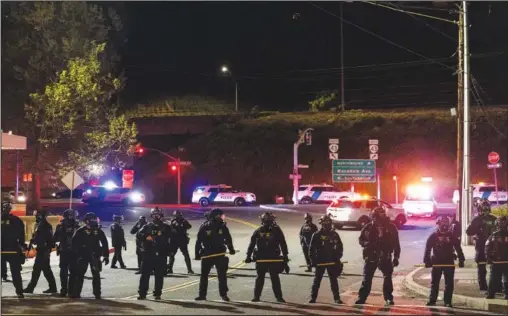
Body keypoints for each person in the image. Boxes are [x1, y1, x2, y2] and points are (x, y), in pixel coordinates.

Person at [356, 206, 401, 306]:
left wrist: (396, 257)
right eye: (375, 217)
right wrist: (367, 244)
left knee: (387, 278)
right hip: (371, 256)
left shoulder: (391, 227)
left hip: (385, 256)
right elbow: (361, 240)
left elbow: (396, 244)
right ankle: (362, 297)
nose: (377, 220)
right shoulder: (368, 227)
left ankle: (388, 298)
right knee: (367, 278)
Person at [245, 212, 288, 303]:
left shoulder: (265, 230)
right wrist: (285, 257)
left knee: (265, 278)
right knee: (271, 278)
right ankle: (276, 297)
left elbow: (283, 244)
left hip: (268, 258)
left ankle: (259, 297)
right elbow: (283, 244)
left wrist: (248, 256)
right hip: (266, 258)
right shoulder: (273, 230)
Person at [195, 208, 235, 301]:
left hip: (218, 253)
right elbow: (199, 241)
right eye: (220, 216)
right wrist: (197, 254)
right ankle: (203, 295)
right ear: (215, 216)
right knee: (205, 275)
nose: (222, 217)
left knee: (221, 275)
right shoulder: (205, 226)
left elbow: (228, 239)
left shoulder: (222, 226)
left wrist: (231, 249)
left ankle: (222, 294)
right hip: (209, 253)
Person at [424, 216, 465, 307]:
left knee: (449, 283)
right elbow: (428, 249)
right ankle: (432, 300)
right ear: (438, 223)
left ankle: (447, 301)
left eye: (446, 223)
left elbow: (458, 248)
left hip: (449, 262)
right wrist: (427, 260)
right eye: (442, 223)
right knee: (435, 283)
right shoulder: (433, 236)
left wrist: (461, 259)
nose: (444, 225)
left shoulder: (452, 236)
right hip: (437, 262)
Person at [71, 212, 110, 299]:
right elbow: (74, 244)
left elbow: (104, 243)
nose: (93, 222)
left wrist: (106, 256)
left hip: (95, 255)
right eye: (91, 220)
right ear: (86, 221)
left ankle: (97, 293)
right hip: (83, 255)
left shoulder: (98, 231)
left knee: (96, 275)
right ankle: (76, 293)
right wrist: (76, 256)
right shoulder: (80, 231)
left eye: (94, 220)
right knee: (80, 274)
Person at [136, 207, 172, 300]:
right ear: (152, 216)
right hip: (148, 254)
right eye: (154, 215)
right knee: (144, 275)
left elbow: (173, 239)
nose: (156, 217)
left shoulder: (166, 227)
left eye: (158, 215)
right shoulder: (147, 226)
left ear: (161, 216)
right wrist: (146, 237)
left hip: (161, 254)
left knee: (159, 276)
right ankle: (142, 293)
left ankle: (157, 293)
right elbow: (138, 235)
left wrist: (170, 251)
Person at [308, 214, 344, 304]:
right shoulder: (316, 235)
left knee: (334, 281)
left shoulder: (334, 234)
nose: (327, 225)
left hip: (332, 261)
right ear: (321, 223)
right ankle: (313, 298)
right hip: (320, 261)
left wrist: (337, 258)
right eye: (325, 223)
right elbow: (311, 249)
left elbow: (340, 247)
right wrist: (313, 261)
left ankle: (337, 298)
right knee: (317, 280)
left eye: (328, 223)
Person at [23, 208, 58, 294]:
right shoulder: (40, 224)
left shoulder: (45, 225)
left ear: (41, 216)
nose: (35, 216)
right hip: (42, 250)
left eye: (37, 215)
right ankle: (52, 287)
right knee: (44, 270)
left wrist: (36, 240)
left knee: (39, 270)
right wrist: (34, 240)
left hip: (44, 250)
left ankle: (31, 288)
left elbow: (46, 239)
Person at [466, 200, 497, 291]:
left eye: (486, 208)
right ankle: (485, 287)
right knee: (484, 268)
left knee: (493, 268)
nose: (485, 210)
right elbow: (469, 232)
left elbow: (468, 232)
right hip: (482, 247)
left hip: (491, 247)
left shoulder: (493, 219)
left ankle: (492, 287)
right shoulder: (477, 219)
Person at [53, 208, 81, 297]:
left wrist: (58, 245)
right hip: (73, 252)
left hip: (64, 251)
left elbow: (55, 239)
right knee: (72, 272)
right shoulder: (77, 227)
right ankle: (70, 291)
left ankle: (64, 290)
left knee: (64, 271)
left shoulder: (60, 226)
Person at [1, 200, 25, 298]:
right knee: (15, 272)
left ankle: (19, 291)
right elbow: (22, 235)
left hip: (2, 249)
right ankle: (19, 292)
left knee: (14, 272)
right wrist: (21, 245)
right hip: (13, 249)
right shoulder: (17, 220)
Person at [485, 216, 508, 299]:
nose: (502, 224)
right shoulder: (493, 235)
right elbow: (487, 247)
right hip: (496, 261)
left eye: (504, 222)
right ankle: (491, 293)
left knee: (506, 279)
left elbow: (487, 247)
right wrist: (488, 258)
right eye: (500, 222)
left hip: (505, 261)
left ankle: (506, 294)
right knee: (494, 279)